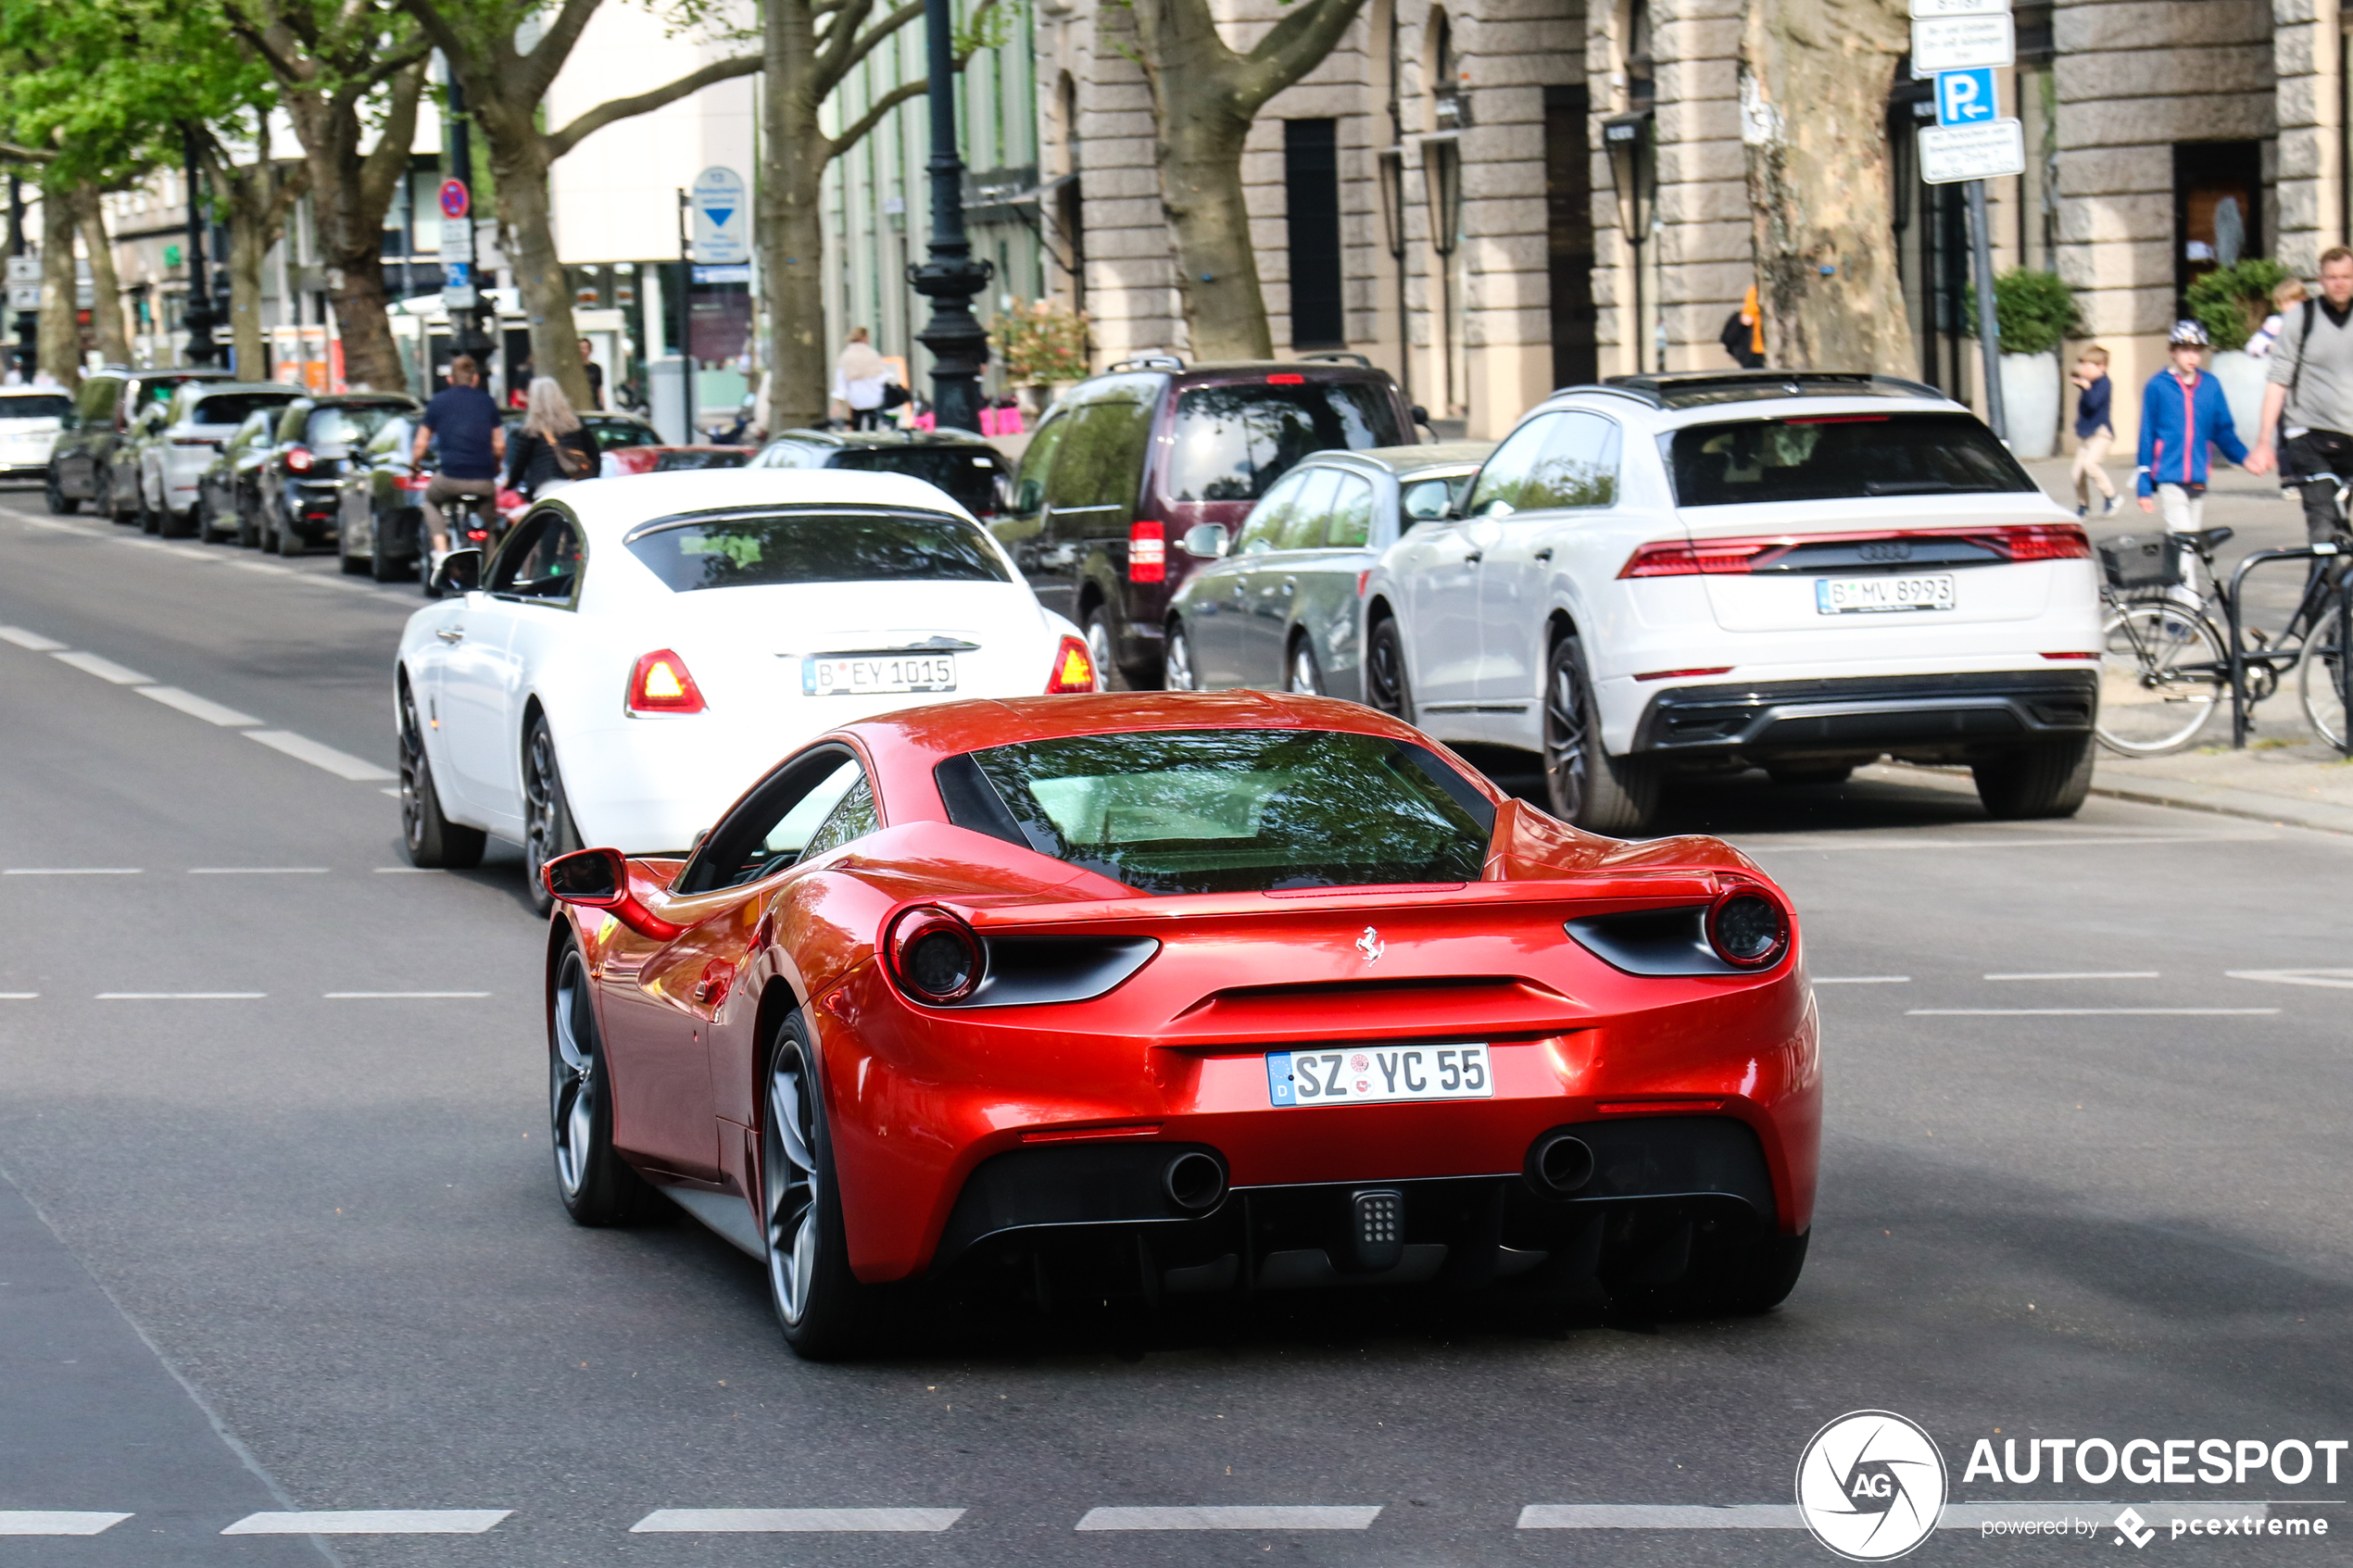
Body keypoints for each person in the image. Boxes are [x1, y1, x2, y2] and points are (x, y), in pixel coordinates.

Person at [2246, 245, 2353, 546]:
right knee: (2322, 521)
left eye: (2346, 276)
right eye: (2332, 277)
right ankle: (2330, 588)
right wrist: (2264, 441)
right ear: (2320, 279)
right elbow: (2278, 380)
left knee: (2340, 528)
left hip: (2350, 436)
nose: (2340, 283)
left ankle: (2325, 591)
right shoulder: (2301, 319)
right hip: (2309, 437)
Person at [2136, 320, 2246, 597]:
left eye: (2197, 350)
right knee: (2184, 545)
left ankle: (2178, 610)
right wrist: (2143, 480)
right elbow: (2147, 432)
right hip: (2170, 478)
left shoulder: (2211, 386)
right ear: (2171, 351)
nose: (2191, 356)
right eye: (2185, 349)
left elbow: (2223, 430)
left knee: (2188, 549)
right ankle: (2187, 613)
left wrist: (2246, 458)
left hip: (2197, 479)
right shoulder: (2157, 386)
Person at [412, 354, 507, 574]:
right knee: (488, 525)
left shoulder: (438, 402)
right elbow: (500, 445)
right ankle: (490, 571)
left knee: (430, 501)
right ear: (475, 379)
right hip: (483, 481)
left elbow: (420, 443)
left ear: (450, 379)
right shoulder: (488, 402)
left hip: (450, 479)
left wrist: (414, 465)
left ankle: (441, 553)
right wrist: (496, 465)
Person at [505, 376, 599, 501]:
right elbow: (595, 459)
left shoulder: (530, 432)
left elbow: (518, 468)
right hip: (576, 489)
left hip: (545, 489)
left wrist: (508, 485)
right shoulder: (577, 427)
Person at [2069, 345, 2119, 519]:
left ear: (2102, 367)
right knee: (2076, 473)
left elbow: (2093, 403)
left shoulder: (2104, 383)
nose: (2085, 370)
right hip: (2088, 436)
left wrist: (2086, 387)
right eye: (2083, 365)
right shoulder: (2088, 385)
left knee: (2090, 465)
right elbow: (2084, 410)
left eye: (2089, 366)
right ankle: (2084, 505)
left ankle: (2111, 496)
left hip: (2102, 433)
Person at [832, 328, 891, 431]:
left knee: (856, 426)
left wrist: (839, 402)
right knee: (874, 428)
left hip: (856, 399)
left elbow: (841, 381)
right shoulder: (872, 354)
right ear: (864, 338)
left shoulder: (846, 356)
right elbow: (883, 376)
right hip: (874, 397)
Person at [2246, 277, 2309, 359]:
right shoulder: (2276, 323)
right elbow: (2253, 347)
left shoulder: (2313, 320)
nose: (2291, 307)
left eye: (2300, 300)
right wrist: (2269, 348)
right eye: (2286, 302)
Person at [1718, 284, 1765, 370]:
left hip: (1755, 350)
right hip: (1757, 350)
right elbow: (1747, 318)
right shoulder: (1757, 290)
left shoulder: (1756, 290)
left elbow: (1747, 318)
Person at [577, 337, 605, 409]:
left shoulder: (596, 368)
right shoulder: (574, 369)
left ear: (589, 350)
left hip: (594, 405)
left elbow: (599, 389)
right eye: (580, 348)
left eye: (584, 348)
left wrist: (603, 406)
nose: (582, 350)